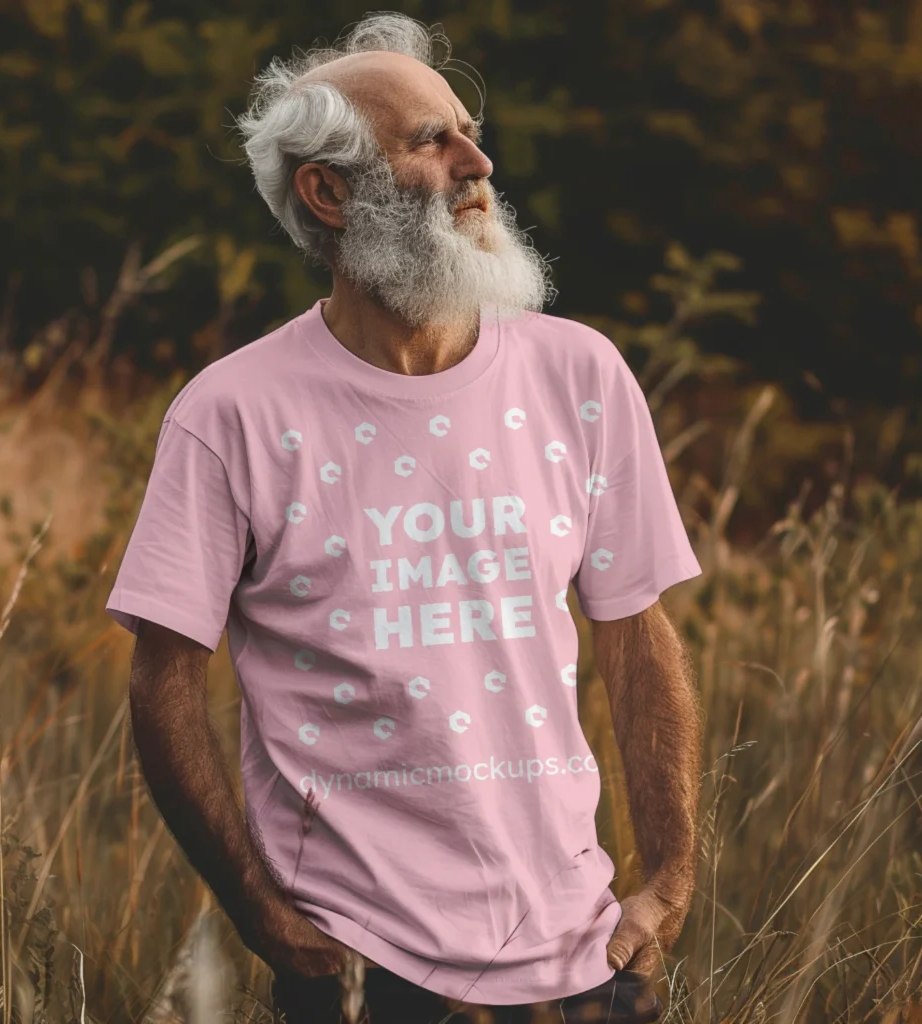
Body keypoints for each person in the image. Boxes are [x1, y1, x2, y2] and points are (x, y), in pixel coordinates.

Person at [107, 11, 704, 1023]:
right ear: (326, 191)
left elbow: (635, 631)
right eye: (431, 139)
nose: (478, 160)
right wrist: (260, 913)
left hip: (585, 951)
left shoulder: (582, 374)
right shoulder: (233, 413)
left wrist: (671, 880)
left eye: (467, 130)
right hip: (362, 970)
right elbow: (163, 677)